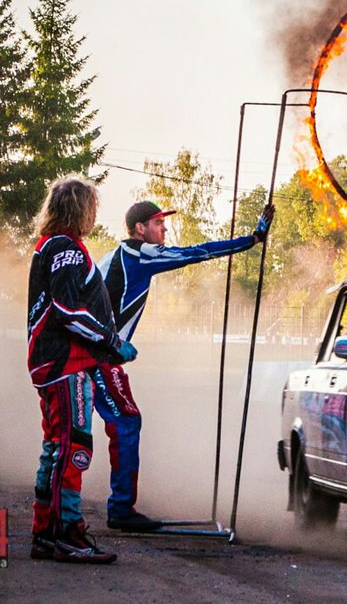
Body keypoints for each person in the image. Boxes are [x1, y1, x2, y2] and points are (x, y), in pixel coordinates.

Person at [93, 199, 276, 531]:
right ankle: (117, 509)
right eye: (158, 223)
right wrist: (251, 240)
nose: (164, 229)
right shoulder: (140, 255)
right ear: (139, 229)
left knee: (116, 423)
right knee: (126, 422)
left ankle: (104, 507)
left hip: (97, 354)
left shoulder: (113, 255)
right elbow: (198, 252)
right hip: (97, 357)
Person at [26, 175, 135, 564]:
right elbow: (69, 311)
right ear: (80, 209)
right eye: (92, 207)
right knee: (72, 447)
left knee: (56, 448)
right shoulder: (67, 250)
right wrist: (111, 341)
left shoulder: (53, 247)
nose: (94, 215)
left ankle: (45, 533)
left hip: (56, 363)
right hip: (65, 365)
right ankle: (66, 534)